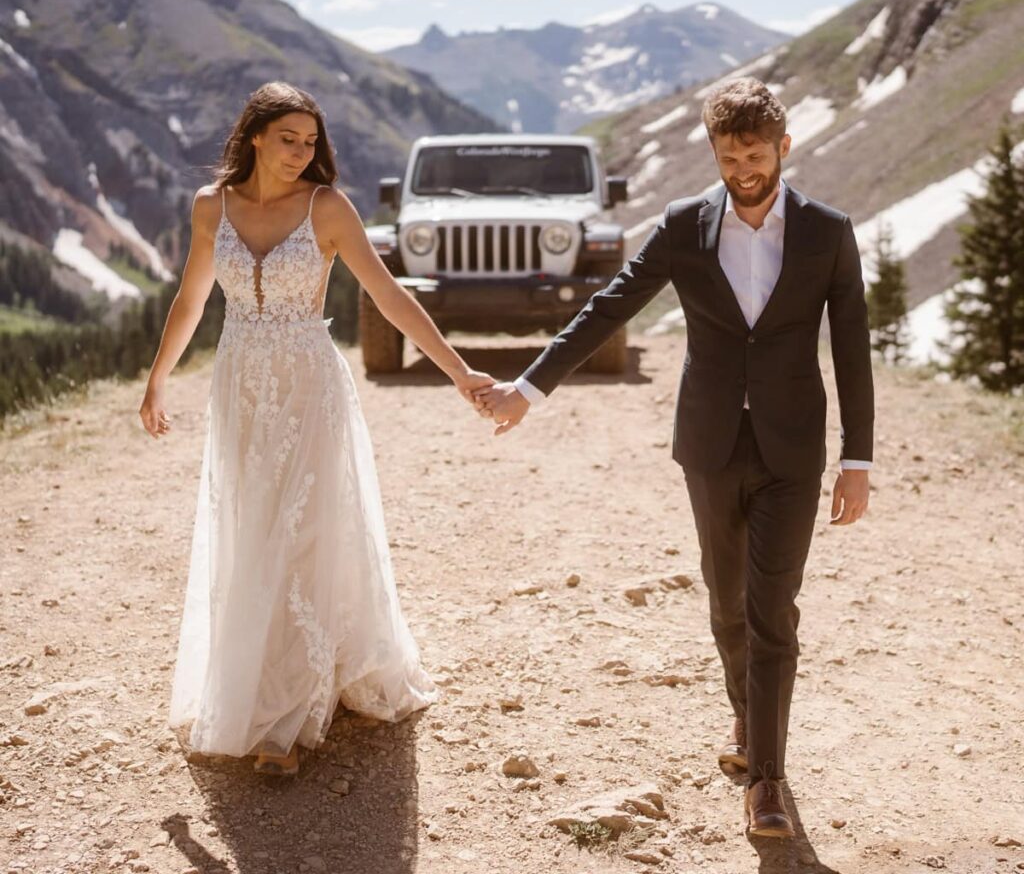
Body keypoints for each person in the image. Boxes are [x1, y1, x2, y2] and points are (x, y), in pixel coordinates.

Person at [474, 77, 874, 838]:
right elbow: (611, 305)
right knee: (727, 606)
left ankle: (767, 781)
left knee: (771, 612)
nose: (743, 170)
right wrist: (532, 386)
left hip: (794, 447)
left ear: (783, 148)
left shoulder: (827, 230)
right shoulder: (685, 224)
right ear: (715, 153)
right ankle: (744, 717)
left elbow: (851, 344)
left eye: (755, 155)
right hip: (711, 444)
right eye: (729, 156)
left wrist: (860, 459)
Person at [139, 81, 493, 776]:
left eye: (310, 141)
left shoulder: (327, 207)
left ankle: (284, 719)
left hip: (308, 384)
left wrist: (457, 371)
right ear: (254, 139)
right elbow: (193, 295)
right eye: (288, 140)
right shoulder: (212, 204)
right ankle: (257, 683)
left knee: (303, 532)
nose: (302, 153)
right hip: (240, 383)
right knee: (252, 527)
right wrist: (155, 379)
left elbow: (386, 292)